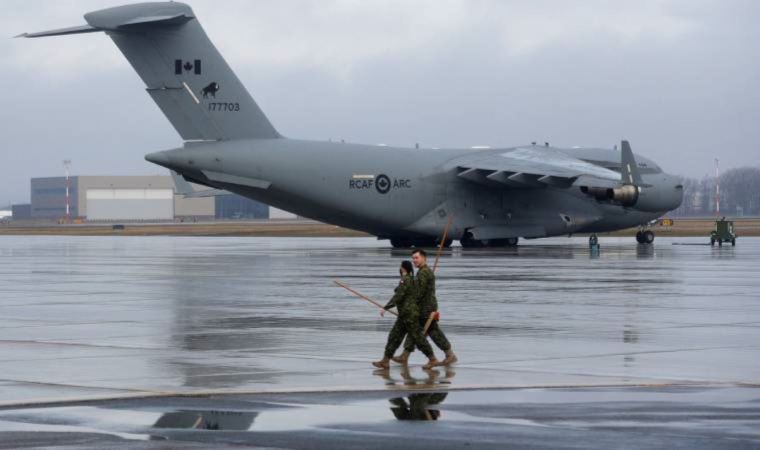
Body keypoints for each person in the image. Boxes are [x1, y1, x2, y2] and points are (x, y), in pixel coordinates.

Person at [394, 249, 458, 366]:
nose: (414, 261)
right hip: (423, 307)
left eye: (416, 258)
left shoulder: (424, 272)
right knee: (417, 331)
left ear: (424, 258)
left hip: (426, 308)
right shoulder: (423, 272)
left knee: (430, 331)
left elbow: (419, 292)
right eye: (413, 258)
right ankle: (405, 355)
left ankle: (449, 355)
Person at [373, 260, 440, 370]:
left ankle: (432, 359)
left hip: (409, 314)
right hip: (403, 315)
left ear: (403, 268)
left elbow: (399, 296)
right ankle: (385, 360)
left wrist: (386, 307)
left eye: (400, 267)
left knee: (418, 337)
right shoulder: (412, 280)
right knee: (394, 336)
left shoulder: (406, 280)